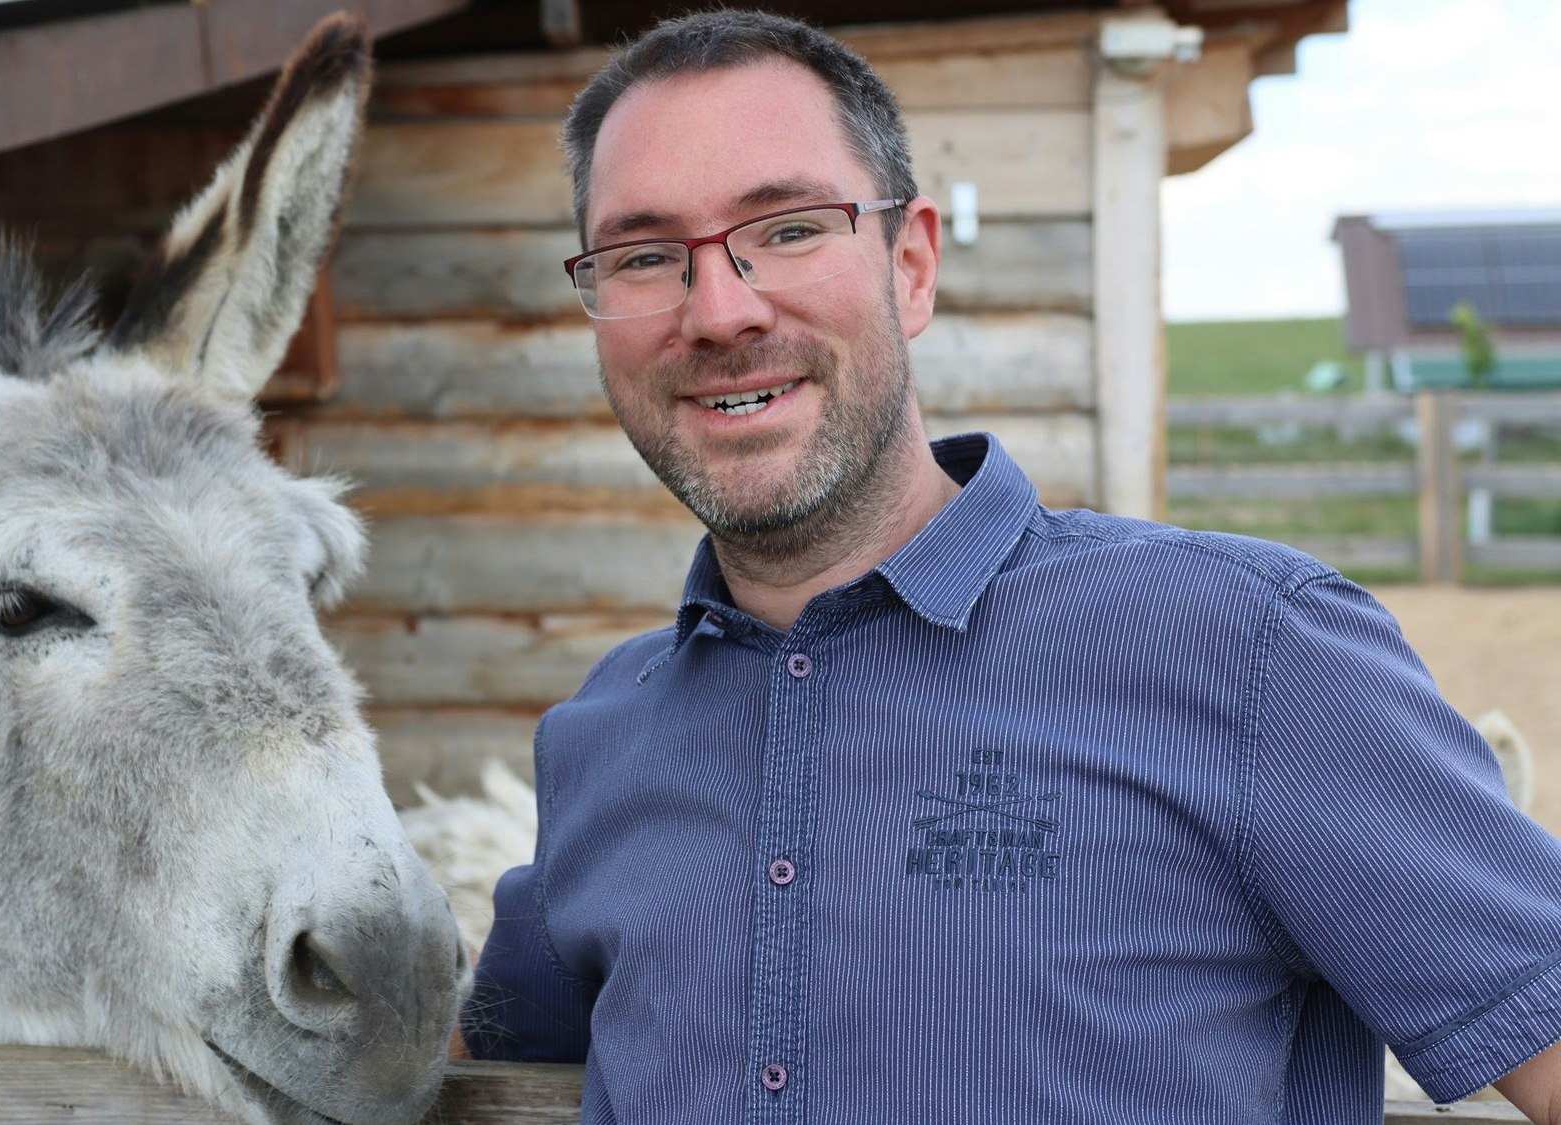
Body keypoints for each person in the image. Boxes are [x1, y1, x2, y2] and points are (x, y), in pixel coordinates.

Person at [455, 10, 1561, 1125]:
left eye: (787, 228)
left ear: (912, 263)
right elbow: (455, 1069)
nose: (720, 309)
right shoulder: (600, 742)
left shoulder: (1254, 654)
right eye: (644, 256)